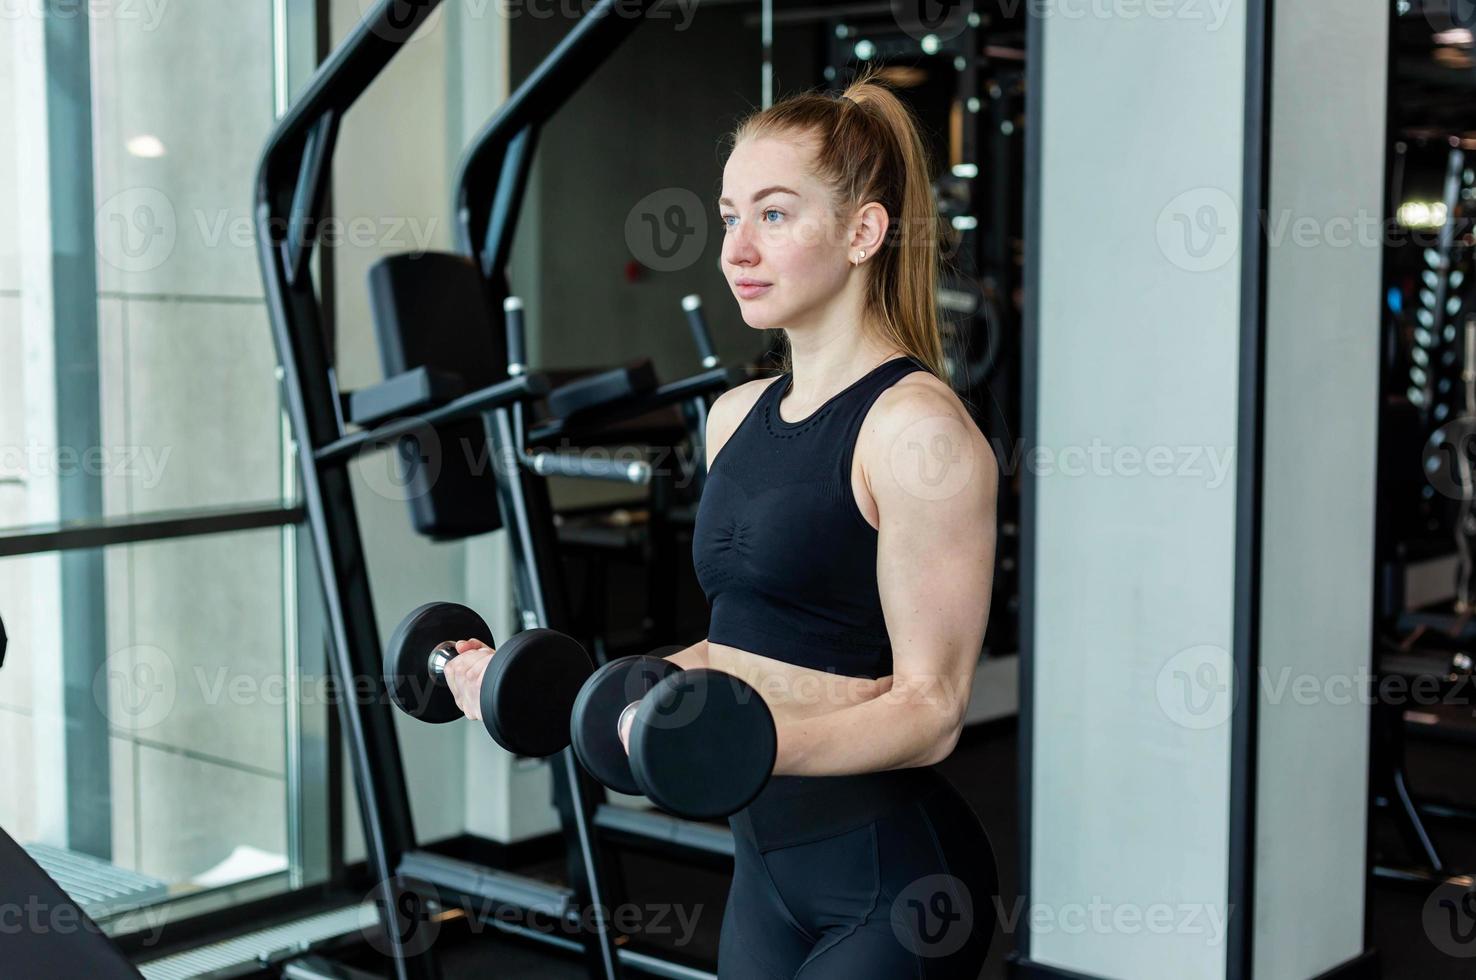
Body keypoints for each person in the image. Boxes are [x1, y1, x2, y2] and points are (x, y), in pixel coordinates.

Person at [445, 67, 999, 978]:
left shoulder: (917, 433)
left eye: (774, 215)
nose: (736, 247)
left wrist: (724, 742)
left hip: (893, 886)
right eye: (731, 215)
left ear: (864, 231)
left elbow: (932, 710)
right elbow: (744, 647)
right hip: (764, 876)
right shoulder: (736, 415)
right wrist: (577, 693)